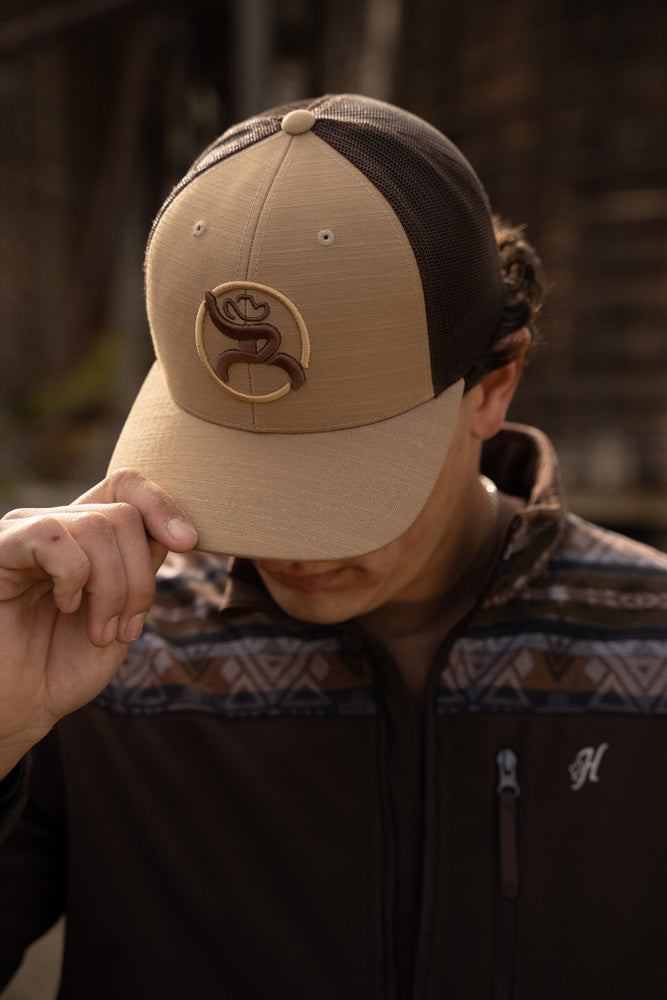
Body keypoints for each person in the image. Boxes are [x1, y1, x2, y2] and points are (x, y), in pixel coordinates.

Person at [0, 94, 665, 1000]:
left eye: (336, 479)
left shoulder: (652, 650)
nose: (286, 540)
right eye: (235, 465)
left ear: (492, 387)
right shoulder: (102, 654)